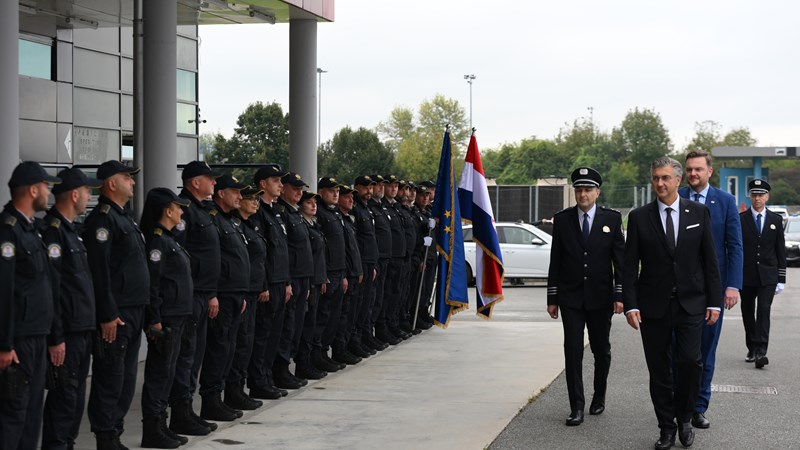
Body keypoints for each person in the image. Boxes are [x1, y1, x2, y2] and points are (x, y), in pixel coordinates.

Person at [623, 156, 721, 450]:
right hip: (653, 306)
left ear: (678, 180)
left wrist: (714, 302)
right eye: (656, 178)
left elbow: (710, 262)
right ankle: (666, 427)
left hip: (691, 303)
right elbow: (629, 267)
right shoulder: (640, 217)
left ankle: (686, 417)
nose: (660, 184)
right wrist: (630, 304)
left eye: (666, 178)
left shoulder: (698, 213)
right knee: (659, 369)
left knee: (691, 362)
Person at [546, 167, 624, 426]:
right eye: (579, 189)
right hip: (571, 298)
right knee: (572, 350)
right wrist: (552, 297)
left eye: (588, 189)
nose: (583, 194)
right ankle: (576, 406)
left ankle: (598, 395)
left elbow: (619, 262)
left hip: (601, 298)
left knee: (601, 350)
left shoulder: (611, 220)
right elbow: (555, 260)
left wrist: (619, 294)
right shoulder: (563, 220)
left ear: (597, 192)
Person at [83, 160, 150, 450]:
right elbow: (99, 271)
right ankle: (105, 435)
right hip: (117, 313)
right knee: (110, 377)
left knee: (125, 379)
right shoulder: (103, 219)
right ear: (111, 183)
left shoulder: (125, 217)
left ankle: (115, 432)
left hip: (134, 309)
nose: (133, 182)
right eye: (127, 177)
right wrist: (108, 313)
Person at [679, 150, 743, 428]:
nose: (693, 174)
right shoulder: (675, 195)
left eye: (698, 169)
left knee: (705, 352)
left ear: (709, 171)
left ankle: (698, 407)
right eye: (689, 169)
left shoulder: (726, 202)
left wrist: (733, 286)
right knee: (677, 352)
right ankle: (677, 403)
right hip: (678, 288)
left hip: (711, 291)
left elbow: (735, 245)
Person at [0, 162, 59, 450]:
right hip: (19, 340)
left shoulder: (31, 230)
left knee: (33, 412)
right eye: (46, 187)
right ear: (33, 190)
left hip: (37, 334)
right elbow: (4, 291)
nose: (48, 193)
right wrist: (4, 344)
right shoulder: (8, 231)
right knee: (14, 413)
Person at [41, 168, 101, 450]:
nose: (90, 195)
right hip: (67, 331)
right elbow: (53, 288)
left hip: (82, 328)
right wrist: (57, 336)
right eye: (88, 191)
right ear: (75, 194)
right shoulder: (54, 233)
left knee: (75, 397)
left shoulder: (72, 232)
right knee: (64, 397)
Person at [169, 160, 221, 436]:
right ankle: (180, 412)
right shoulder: (184, 211)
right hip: (190, 295)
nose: (214, 183)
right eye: (209, 178)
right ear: (194, 182)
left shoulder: (203, 210)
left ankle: (188, 410)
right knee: (186, 357)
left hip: (203, 294)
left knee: (195, 355)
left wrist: (212, 293)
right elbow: (180, 255)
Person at [139, 188, 193, 449]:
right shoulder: (158, 242)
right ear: (167, 211)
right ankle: (152, 429)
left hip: (177, 315)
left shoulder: (170, 239)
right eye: (178, 207)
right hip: (166, 318)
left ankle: (163, 425)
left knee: (169, 373)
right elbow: (153, 284)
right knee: (159, 375)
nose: (182, 211)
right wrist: (155, 319)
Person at [198, 174, 250, 422]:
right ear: (221, 193)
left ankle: (223, 397)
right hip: (221, 295)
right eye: (235, 191)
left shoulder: (230, 220)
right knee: (218, 348)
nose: (240, 196)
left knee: (229, 347)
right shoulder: (213, 219)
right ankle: (210, 400)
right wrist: (214, 294)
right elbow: (211, 261)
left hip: (235, 293)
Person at [247, 164, 291, 401]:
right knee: (262, 335)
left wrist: (287, 282)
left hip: (279, 281)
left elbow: (282, 250)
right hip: (268, 283)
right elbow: (260, 253)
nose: (281, 185)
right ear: (263, 184)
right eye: (276, 181)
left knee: (275, 333)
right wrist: (263, 284)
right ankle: (258, 381)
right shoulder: (259, 213)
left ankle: (267, 377)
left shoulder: (276, 212)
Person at [225, 186, 266, 411]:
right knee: (239, 343)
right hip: (242, 291)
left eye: (255, 200)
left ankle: (239, 388)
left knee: (246, 342)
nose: (254, 202)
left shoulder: (251, 225)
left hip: (252, 290)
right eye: (250, 199)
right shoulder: (235, 225)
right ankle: (233, 390)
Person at [274, 172, 317, 386]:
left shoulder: (296, 214)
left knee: (298, 325)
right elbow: (284, 252)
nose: (299, 192)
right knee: (288, 326)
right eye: (295, 188)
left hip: (303, 277)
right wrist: (288, 281)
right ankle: (281, 370)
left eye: (301, 189)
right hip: (291, 278)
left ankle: (290, 366)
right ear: (283, 189)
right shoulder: (281, 213)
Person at [739, 179, 786, 369]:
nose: (757, 198)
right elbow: (736, 248)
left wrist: (781, 278)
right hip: (746, 274)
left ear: (767, 196)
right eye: (754, 194)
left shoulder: (775, 220)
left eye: (761, 195)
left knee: (764, 311)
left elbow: (780, 250)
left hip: (768, 275)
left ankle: (761, 351)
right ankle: (751, 346)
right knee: (747, 311)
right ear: (750, 196)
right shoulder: (741, 219)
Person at [312, 177, 350, 373]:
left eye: (337, 190)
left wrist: (343, 273)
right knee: (322, 317)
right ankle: (317, 355)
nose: (335, 194)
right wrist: (323, 274)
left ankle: (324, 352)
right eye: (330, 190)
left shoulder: (333, 213)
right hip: (327, 274)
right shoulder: (320, 212)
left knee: (334, 316)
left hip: (338, 271)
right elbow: (321, 249)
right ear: (320, 192)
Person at [295, 190, 330, 379]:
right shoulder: (302, 225)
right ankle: (303, 363)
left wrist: (323, 276)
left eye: (314, 202)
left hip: (317, 279)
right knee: (307, 325)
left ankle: (308, 361)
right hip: (309, 281)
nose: (313, 205)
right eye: (308, 202)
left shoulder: (313, 225)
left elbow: (318, 257)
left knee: (313, 323)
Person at [351, 175, 383, 358]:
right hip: (361, 264)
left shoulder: (367, 209)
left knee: (368, 303)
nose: (369, 191)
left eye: (371, 188)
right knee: (359, 305)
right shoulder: (355, 209)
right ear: (357, 188)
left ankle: (364, 336)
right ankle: (355, 340)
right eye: (365, 188)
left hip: (371, 262)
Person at [332, 185, 364, 365]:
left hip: (353, 272)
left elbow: (353, 248)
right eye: (346, 197)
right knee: (341, 315)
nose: (350, 200)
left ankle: (345, 346)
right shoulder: (334, 218)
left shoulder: (345, 219)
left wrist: (358, 270)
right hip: (343, 274)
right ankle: (339, 349)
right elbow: (338, 252)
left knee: (350, 313)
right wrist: (345, 274)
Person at [379, 174, 411, 342]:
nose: (393, 189)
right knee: (387, 294)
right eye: (390, 185)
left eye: (396, 186)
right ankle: (384, 326)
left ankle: (394, 323)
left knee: (398, 293)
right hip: (389, 259)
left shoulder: (398, 207)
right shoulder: (381, 207)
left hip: (402, 257)